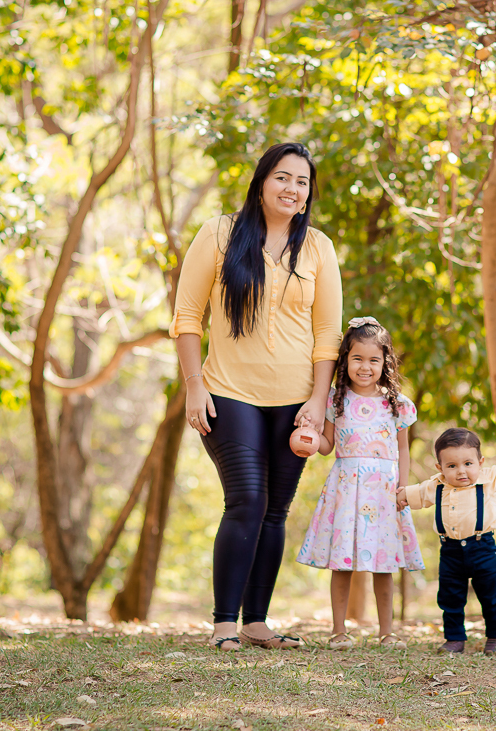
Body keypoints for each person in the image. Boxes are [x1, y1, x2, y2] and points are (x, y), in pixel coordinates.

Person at [172, 142, 343, 651]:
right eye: (282, 177)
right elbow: (187, 316)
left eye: (302, 182)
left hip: (297, 402)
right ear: (261, 182)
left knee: (275, 508)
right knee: (247, 498)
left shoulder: (318, 248)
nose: (292, 189)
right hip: (229, 392)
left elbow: (328, 334)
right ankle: (225, 624)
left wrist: (318, 401)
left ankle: (256, 622)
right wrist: (194, 384)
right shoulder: (219, 234)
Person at [296, 317, 425, 650]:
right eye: (357, 358)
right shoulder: (335, 400)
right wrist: (309, 439)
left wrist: (403, 488)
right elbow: (327, 446)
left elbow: (403, 450)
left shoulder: (397, 405)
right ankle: (339, 630)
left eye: (373, 360)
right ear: (345, 360)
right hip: (346, 490)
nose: (365, 367)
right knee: (342, 563)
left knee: (384, 564)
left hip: (384, 492)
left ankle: (387, 632)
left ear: (385, 363)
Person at [398, 428, 496, 656]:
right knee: (450, 597)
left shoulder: (489, 479)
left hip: (483, 548)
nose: (461, 471)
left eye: (468, 463)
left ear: (480, 462)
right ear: (440, 468)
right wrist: (399, 497)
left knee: (490, 596)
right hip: (450, 551)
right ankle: (454, 639)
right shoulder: (436, 486)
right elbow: (412, 494)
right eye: (451, 466)